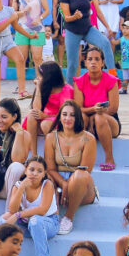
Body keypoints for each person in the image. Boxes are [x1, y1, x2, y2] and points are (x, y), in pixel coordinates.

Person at [45, 100, 97, 235]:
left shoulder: (88, 138)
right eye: (64, 114)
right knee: (45, 174)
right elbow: (50, 168)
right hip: (58, 182)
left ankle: (68, 218)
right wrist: (64, 184)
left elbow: (86, 171)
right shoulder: (51, 137)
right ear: (60, 117)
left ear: (78, 117)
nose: (68, 118)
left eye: (72, 115)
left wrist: (69, 185)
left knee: (80, 174)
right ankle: (52, 215)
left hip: (81, 186)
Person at [3, 156, 59, 256]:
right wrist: (22, 187)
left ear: (44, 174)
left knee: (35, 221)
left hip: (48, 223)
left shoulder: (47, 184)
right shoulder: (18, 185)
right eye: (31, 169)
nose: (35, 173)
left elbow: (42, 210)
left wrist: (19, 214)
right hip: (27, 224)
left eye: (39, 171)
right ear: (25, 170)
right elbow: (12, 209)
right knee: (2, 220)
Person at [58, 0, 115, 81]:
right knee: (73, 64)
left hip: (88, 29)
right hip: (72, 31)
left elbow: (98, 12)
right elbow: (66, 18)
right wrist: (74, 16)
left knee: (105, 43)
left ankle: (113, 76)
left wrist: (108, 27)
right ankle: (70, 89)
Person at [73, 46, 121, 170]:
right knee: (81, 117)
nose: (93, 62)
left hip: (109, 122)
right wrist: (93, 110)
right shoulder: (79, 81)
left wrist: (95, 115)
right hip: (87, 120)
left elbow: (113, 108)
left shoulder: (111, 80)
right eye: (89, 59)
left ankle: (109, 158)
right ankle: (77, 157)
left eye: (96, 59)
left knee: (99, 117)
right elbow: (78, 108)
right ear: (85, 63)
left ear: (102, 63)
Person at [23, 60, 72, 158]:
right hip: (45, 117)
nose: (38, 78)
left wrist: (46, 116)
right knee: (32, 115)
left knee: (45, 124)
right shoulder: (44, 87)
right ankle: (34, 154)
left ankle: (51, 155)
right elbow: (36, 108)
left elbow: (67, 113)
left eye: (41, 76)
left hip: (61, 119)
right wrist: (38, 87)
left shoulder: (66, 90)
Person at [14, 0, 50, 71]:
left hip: (37, 29)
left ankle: (39, 82)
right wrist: (23, 11)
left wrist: (39, 19)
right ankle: (21, 85)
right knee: (22, 59)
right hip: (22, 29)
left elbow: (47, 10)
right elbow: (13, 13)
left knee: (37, 58)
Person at [114, 21, 129, 94]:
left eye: (127, 28)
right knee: (125, 78)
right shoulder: (122, 39)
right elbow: (115, 43)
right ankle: (124, 89)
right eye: (123, 28)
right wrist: (110, 37)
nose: (124, 30)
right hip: (125, 62)